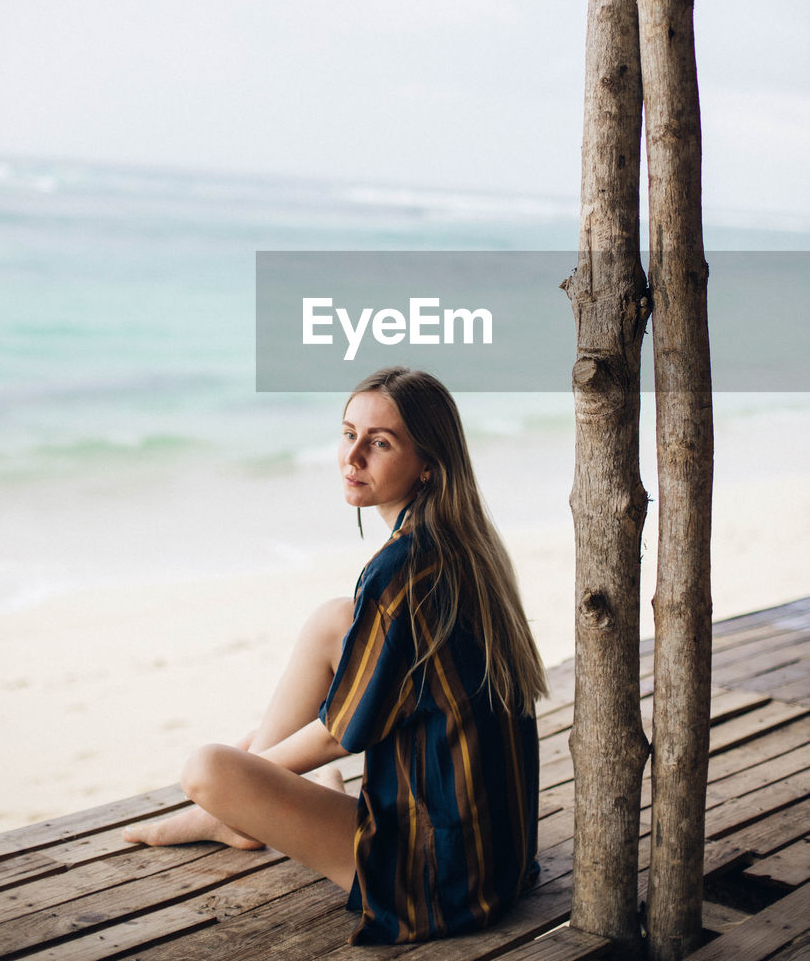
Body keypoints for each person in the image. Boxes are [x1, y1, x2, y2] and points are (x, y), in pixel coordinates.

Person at [124, 366, 547, 944]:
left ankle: (228, 818)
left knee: (209, 768)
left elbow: (336, 736)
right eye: (349, 434)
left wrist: (237, 787)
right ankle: (242, 814)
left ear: (429, 463)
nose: (353, 457)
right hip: (497, 854)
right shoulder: (460, 546)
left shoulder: (400, 572)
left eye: (380, 443)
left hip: (436, 880)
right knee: (332, 619)